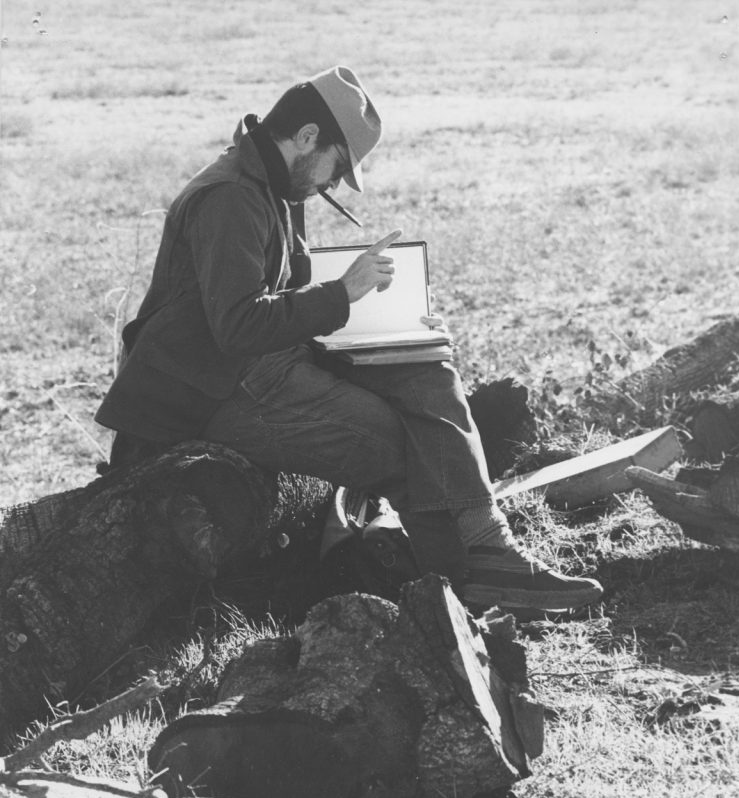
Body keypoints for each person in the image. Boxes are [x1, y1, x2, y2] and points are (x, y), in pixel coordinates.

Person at [96, 65, 602, 612]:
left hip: (259, 362)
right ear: (307, 136)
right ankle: (460, 589)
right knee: (402, 444)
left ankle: (490, 547)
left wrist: (394, 319)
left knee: (426, 368)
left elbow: (287, 289)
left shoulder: (273, 182)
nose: (332, 186)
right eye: (336, 168)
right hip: (214, 389)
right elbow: (239, 326)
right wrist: (343, 294)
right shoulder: (232, 197)